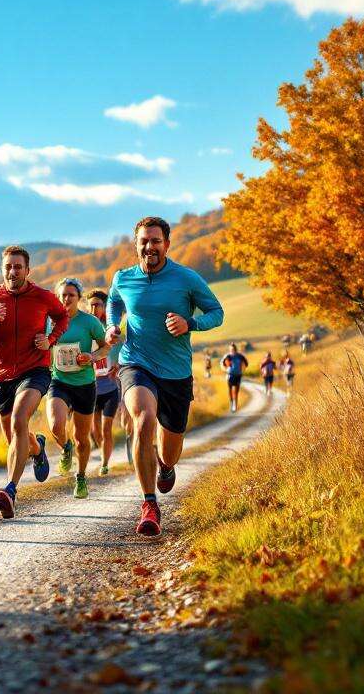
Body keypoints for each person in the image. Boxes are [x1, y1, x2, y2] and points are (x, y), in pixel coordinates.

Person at [106, 216, 223, 536]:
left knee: (170, 450)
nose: (149, 247)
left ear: (167, 245)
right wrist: (112, 326)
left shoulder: (186, 279)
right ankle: (149, 504)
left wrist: (191, 324)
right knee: (143, 419)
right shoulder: (123, 278)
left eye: (156, 241)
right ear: (136, 245)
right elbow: (114, 302)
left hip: (175, 373)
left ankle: (166, 465)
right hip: (136, 363)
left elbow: (217, 313)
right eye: (144, 241)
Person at [0, 245, 69, 519]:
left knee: (19, 418)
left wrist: (50, 340)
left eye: (18, 267)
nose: (13, 271)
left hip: (35, 370)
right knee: (14, 436)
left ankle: (10, 490)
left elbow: (62, 316)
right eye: (8, 266)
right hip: (1, 375)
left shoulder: (42, 296)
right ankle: (37, 447)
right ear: (2, 269)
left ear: (27, 271)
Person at [44, 277, 109, 499]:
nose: (66, 298)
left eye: (71, 295)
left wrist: (91, 356)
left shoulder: (89, 322)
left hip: (85, 384)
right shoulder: (49, 322)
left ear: (78, 298)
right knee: (55, 424)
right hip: (59, 381)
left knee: (83, 438)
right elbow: (41, 344)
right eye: (62, 295)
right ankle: (65, 447)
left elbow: (105, 348)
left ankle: (80, 477)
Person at [86, 288, 121, 477]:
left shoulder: (111, 330)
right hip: (92, 389)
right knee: (95, 431)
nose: (94, 309)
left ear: (105, 307)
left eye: (98, 305)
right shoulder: (85, 329)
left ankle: (105, 463)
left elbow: (123, 347)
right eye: (91, 305)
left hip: (109, 387)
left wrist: (118, 364)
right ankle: (102, 453)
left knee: (107, 429)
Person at [221, 343, 248, 413]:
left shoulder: (240, 356)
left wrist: (243, 370)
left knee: (236, 391)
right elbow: (222, 363)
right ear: (229, 349)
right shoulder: (227, 356)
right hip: (230, 374)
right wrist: (226, 369)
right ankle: (231, 403)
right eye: (231, 349)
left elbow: (246, 363)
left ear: (235, 349)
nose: (232, 350)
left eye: (233, 349)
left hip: (238, 375)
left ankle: (235, 405)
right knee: (230, 390)